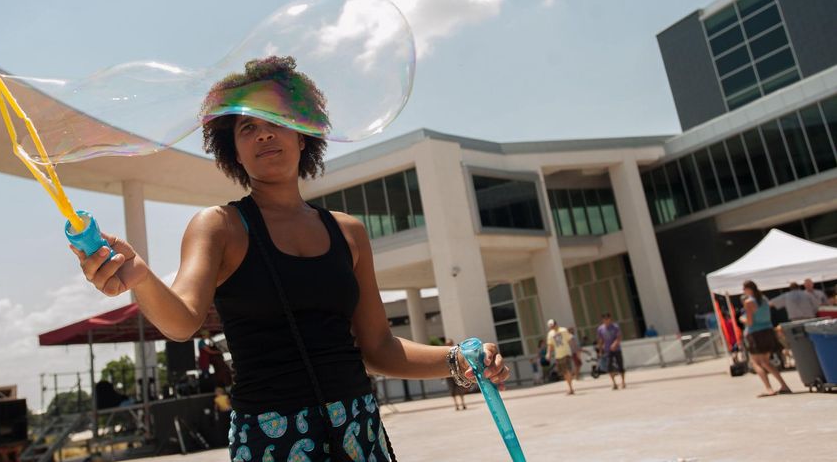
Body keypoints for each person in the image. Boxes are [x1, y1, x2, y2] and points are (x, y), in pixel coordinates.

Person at [70, 57, 509, 462]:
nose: (263, 133)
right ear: (233, 151)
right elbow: (183, 320)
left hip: (360, 432)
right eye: (246, 127)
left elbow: (378, 348)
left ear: (303, 133)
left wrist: (458, 358)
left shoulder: (349, 232)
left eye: (276, 120)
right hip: (271, 438)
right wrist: (140, 275)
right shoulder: (219, 225)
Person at [742, 280, 792, 398]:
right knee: (766, 362)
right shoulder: (764, 299)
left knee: (756, 362)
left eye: (744, 289)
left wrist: (741, 319)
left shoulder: (749, 302)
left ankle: (769, 388)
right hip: (768, 332)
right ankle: (784, 385)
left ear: (748, 289)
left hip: (755, 334)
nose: (743, 291)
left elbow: (749, 322)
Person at [596, 312, 625, 390]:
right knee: (609, 367)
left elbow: (619, 337)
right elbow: (600, 340)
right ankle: (614, 383)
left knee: (620, 365)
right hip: (608, 350)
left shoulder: (615, 327)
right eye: (604, 319)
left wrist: (615, 344)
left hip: (617, 349)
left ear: (610, 319)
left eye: (607, 319)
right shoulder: (600, 329)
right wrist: (600, 351)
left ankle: (623, 382)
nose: (606, 320)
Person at [545, 320, 575, 395]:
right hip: (558, 355)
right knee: (564, 372)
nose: (552, 327)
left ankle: (571, 388)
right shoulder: (550, 334)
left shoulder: (563, 330)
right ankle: (570, 386)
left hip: (566, 353)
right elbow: (550, 345)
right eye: (550, 326)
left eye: (553, 325)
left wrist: (574, 350)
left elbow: (570, 340)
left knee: (567, 370)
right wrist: (548, 353)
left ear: (556, 324)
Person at [443, 338, 468, 410]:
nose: (449, 345)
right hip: (448, 375)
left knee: (460, 389)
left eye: (450, 344)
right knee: (452, 391)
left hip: (457, 374)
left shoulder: (456, 352)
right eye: (447, 344)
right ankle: (456, 405)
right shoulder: (444, 353)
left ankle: (463, 403)